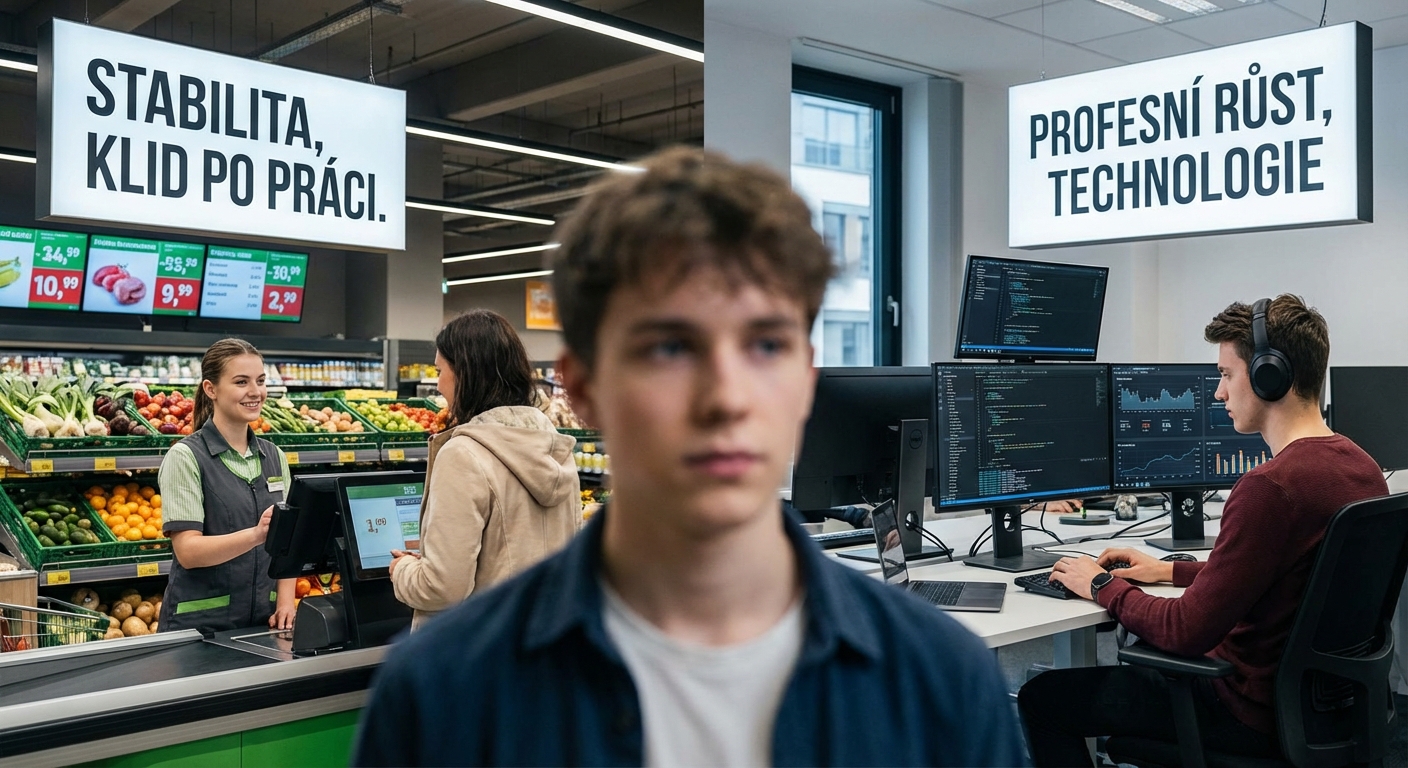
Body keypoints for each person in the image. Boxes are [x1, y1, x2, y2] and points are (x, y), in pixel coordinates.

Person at [353, 148, 1025, 766]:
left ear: (805, 378)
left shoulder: (943, 686)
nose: (726, 398)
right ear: (582, 387)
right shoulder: (439, 698)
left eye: (766, 346)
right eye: (669, 348)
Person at [1020, 295, 1389, 766]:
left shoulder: (1269, 488)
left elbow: (1184, 631)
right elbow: (1287, 576)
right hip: (1327, 709)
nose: (1218, 393)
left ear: (1268, 377)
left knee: (1044, 700)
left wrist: (1099, 584)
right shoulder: (1362, 468)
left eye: (1226, 374)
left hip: (1244, 712)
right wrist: (1167, 572)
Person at [387, 309, 581, 631]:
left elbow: (443, 588)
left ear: (464, 373)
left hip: (480, 652)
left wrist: (404, 569)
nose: (438, 385)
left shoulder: (464, 455)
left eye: (440, 371)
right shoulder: (556, 448)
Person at [157, 338, 295, 633]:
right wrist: (257, 535)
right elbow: (188, 551)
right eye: (241, 382)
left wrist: (285, 602)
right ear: (211, 389)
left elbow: (288, 544)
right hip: (198, 629)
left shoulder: (274, 457)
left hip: (263, 624)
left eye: (260, 381)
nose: (255, 392)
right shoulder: (185, 457)